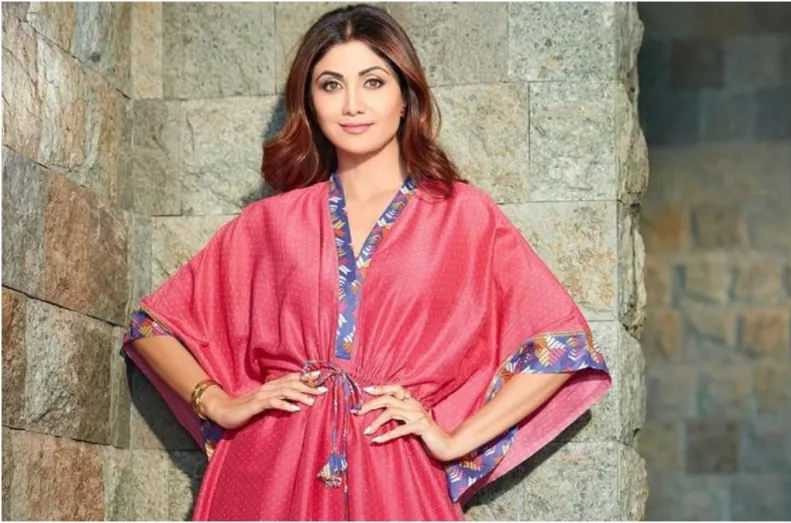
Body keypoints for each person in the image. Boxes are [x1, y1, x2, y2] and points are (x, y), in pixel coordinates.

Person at [121, 4, 612, 521]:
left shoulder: (463, 215)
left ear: (405, 97)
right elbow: (153, 328)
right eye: (331, 85)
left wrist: (455, 439)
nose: (352, 104)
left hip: (395, 475)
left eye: (373, 82)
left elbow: (562, 349)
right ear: (310, 103)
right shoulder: (269, 223)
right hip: (267, 474)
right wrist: (218, 402)